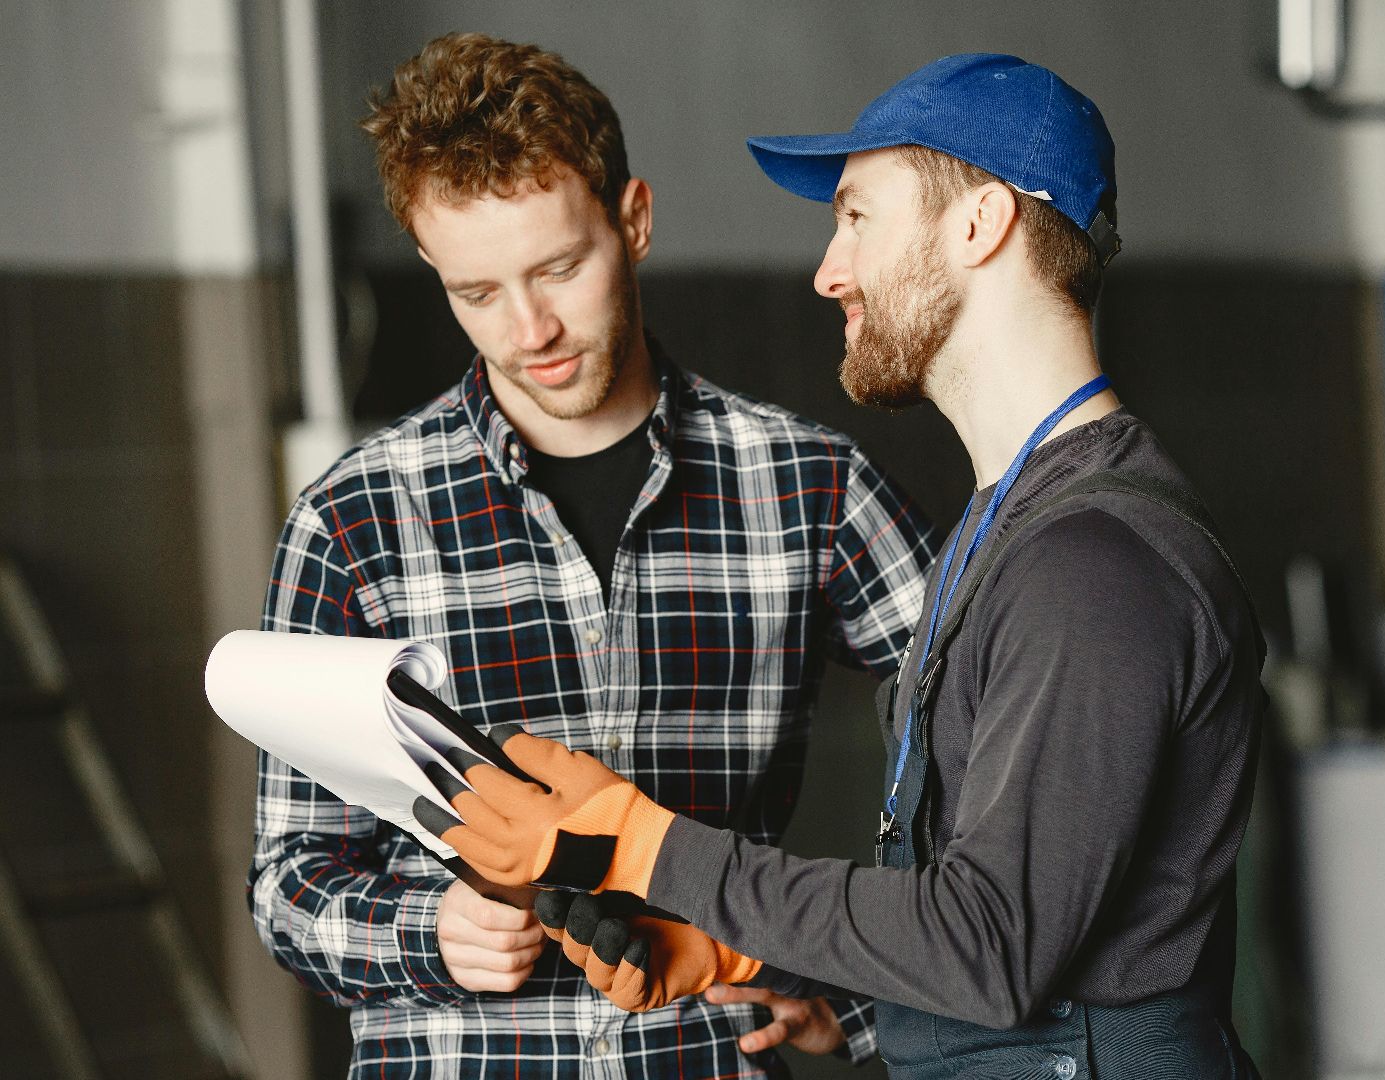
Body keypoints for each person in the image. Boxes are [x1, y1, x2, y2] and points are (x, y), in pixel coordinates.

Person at [425, 53, 1268, 1077]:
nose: (829, 269)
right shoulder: (1009, 527)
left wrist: (645, 844)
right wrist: (755, 954)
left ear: (980, 223)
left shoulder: (1093, 567)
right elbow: (989, 914)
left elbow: (992, 944)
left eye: (858, 218)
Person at [248, 32, 935, 1078]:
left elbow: (993, 764)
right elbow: (288, 879)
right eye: (476, 293)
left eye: (559, 268)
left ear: (635, 220)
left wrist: (863, 996)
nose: (529, 329)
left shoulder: (807, 484)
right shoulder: (353, 520)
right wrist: (429, 931)